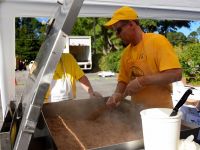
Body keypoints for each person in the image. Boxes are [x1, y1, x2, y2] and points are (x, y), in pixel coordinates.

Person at [104, 6, 182, 108]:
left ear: (131, 24)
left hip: (161, 111)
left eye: (118, 30)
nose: (117, 35)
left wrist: (143, 81)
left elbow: (176, 74)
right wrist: (117, 94)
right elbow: (123, 81)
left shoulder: (157, 41)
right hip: (137, 112)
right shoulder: (126, 53)